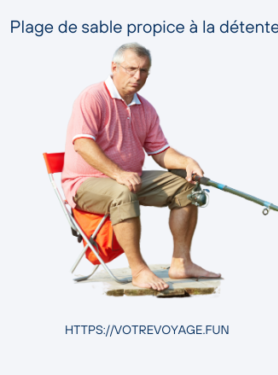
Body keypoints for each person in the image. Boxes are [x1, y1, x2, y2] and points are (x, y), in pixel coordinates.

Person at [62, 43, 219, 291]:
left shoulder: (145, 107)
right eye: (131, 68)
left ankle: (181, 263)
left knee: (185, 187)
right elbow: (82, 143)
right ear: (114, 67)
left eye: (144, 71)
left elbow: (160, 151)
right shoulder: (92, 97)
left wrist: (187, 161)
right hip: (85, 182)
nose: (138, 76)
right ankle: (139, 270)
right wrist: (118, 173)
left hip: (128, 178)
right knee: (121, 192)